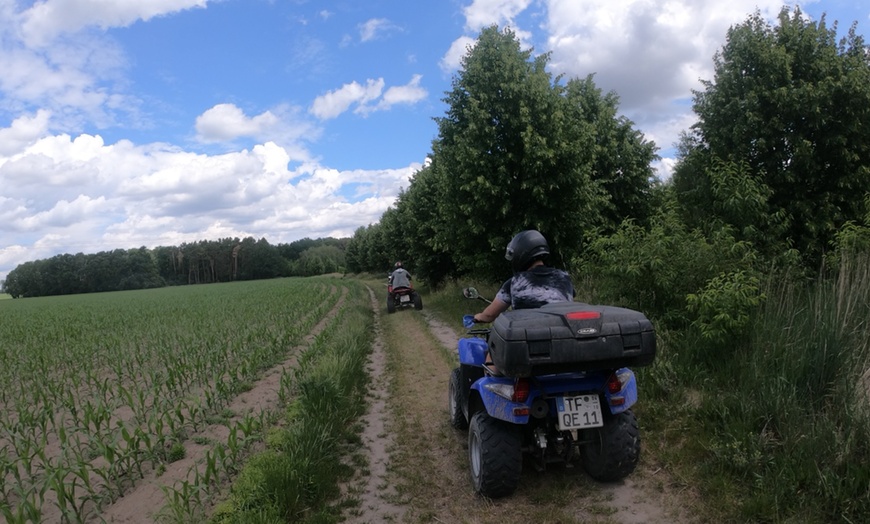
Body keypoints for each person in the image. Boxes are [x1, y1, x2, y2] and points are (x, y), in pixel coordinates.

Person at [473, 230, 574, 323]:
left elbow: (490, 315)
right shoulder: (564, 277)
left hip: (527, 337)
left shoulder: (514, 282)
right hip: (562, 335)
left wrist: (479, 317)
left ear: (521, 253)